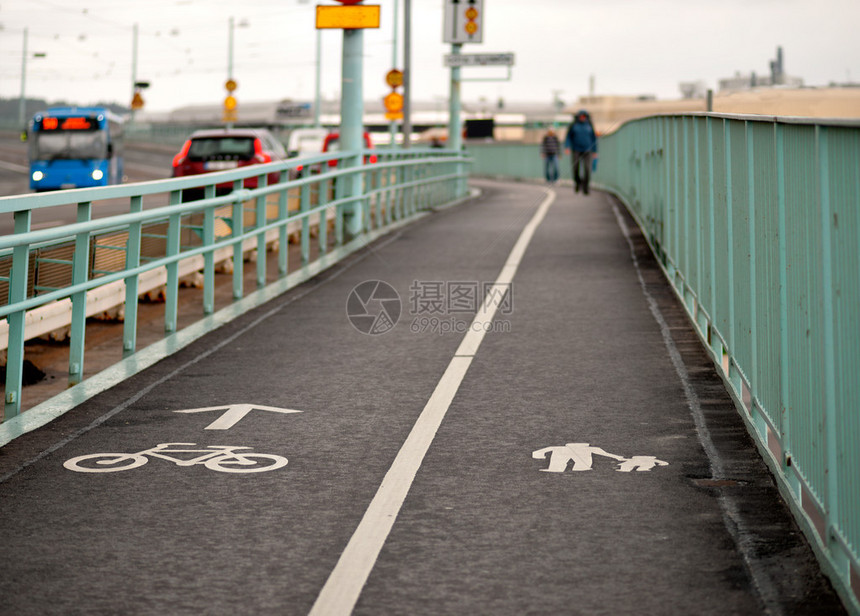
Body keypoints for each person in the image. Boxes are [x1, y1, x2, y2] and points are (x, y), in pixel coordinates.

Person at [564, 110, 598, 194]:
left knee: (587, 169)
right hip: (576, 150)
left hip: (588, 150)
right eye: (581, 116)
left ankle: (586, 187)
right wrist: (567, 146)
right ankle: (578, 183)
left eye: (584, 116)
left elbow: (594, 138)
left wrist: (595, 151)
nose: (583, 118)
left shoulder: (589, 125)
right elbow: (568, 137)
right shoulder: (574, 125)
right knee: (576, 168)